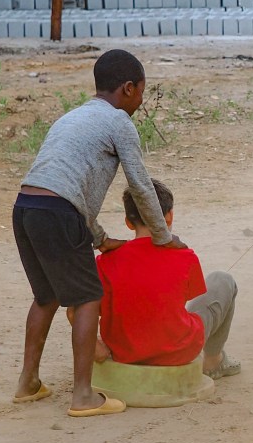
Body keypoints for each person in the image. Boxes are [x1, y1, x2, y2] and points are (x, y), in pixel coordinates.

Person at [12, 49, 185, 417]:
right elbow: (139, 184)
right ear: (127, 88)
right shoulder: (120, 122)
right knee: (88, 298)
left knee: (46, 297)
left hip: (26, 206)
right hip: (58, 211)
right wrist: (162, 236)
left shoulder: (72, 117)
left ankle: (28, 382)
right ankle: (83, 395)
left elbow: (71, 190)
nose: (140, 101)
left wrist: (101, 239)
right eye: (141, 92)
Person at [94, 181, 241, 379]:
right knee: (223, 280)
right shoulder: (185, 256)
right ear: (169, 216)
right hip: (178, 352)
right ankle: (214, 360)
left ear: (128, 222)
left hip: (124, 353)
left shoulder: (105, 260)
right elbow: (183, 298)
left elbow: (84, 311)